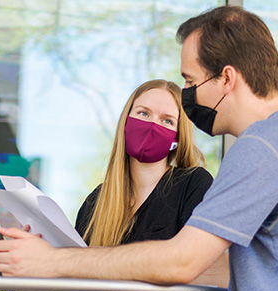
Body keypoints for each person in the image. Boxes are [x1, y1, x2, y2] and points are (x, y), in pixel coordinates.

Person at [0, 6, 278, 291]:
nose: (189, 95)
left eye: (191, 81)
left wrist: (52, 263)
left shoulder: (264, 145)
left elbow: (183, 260)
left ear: (226, 78)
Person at [74, 79, 212, 247]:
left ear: (177, 138)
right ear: (125, 121)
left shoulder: (193, 185)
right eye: (144, 113)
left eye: (167, 121)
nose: (153, 125)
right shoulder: (95, 203)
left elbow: (194, 260)